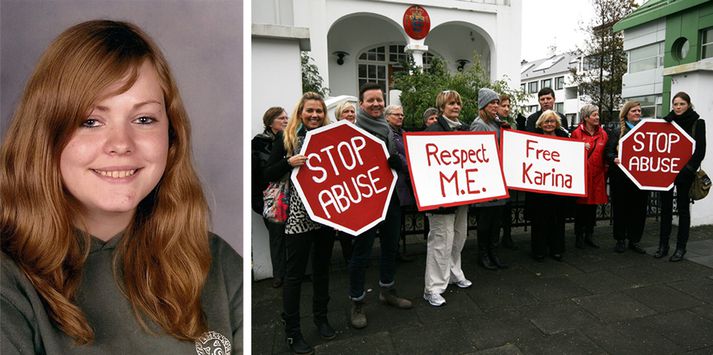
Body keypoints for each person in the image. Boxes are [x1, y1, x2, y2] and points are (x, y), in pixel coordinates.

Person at [0, 20, 241, 354]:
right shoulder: (8, 280)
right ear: (45, 136)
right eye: (90, 121)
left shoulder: (217, 262)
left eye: (143, 119)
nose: (120, 144)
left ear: (171, 137)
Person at [264, 92, 336, 353]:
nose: (315, 115)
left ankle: (322, 318)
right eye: (310, 111)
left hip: (326, 214)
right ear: (300, 113)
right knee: (294, 275)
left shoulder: (330, 137)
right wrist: (288, 162)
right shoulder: (287, 138)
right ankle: (293, 331)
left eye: (319, 111)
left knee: (322, 270)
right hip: (298, 217)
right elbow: (268, 173)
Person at [349, 82, 412, 330]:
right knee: (361, 252)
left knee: (390, 246)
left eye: (379, 99)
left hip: (391, 199)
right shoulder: (352, 130)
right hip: (365, 201)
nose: (376, 104)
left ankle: (387, 290)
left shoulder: (386, 128)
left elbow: (395, 162)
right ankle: (357, 301)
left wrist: (397, 164)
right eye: (370, 100)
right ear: (361, 104)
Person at [421, 90, 472, 307]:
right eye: (451, 103)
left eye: (458, 103)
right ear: (442, 107)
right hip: (440, 196)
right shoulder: (432, 131)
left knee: (459, 236)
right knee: (441, 240)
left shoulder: (465, 129)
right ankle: (432, 288)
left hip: (462, 193)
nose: (456, 107)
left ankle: (453, 273)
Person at [658, 92, 706, 262]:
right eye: (675, 104)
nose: (678, 107)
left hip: (685, 175)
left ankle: (680, 248)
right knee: (665, 210)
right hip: (666, 174)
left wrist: (687, 171)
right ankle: (663, 246)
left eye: (681, 104)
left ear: (688, 105)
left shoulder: (697, 122)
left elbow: (700, 151)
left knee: (683, 211)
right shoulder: (668, 122)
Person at [470, 88, 509, 270]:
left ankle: (493, 252)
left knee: (496, 221)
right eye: (492, 103)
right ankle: (483, 254)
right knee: (485, 222)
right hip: (486, 180)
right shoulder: (479, 124)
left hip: (498, 177)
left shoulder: (497, 123)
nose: (495, 105)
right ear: (483, 105)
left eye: (496, 102)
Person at [605, 101, 649, 254]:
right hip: (621, 179)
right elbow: (608, 153)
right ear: (626, 113)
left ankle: (634, 240)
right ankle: (620, 240)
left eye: (639, 110)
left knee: (638, 210)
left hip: (641, 179)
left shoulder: (647, 131)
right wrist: (614, 159)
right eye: (634, 111)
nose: (637, 113)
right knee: (621, 209)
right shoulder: (618, 132)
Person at [252, 107, 289, 288]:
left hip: (291, 195)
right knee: (276, 236)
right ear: (270, 121)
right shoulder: (258, 143)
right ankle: (279, 275)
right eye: (281, 118)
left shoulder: (291, 140)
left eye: (286, 117)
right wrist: (257, 201)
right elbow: (255, 174)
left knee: (292, 235)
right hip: (270, 198)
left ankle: (293, 271)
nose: (286, 120)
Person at [529, 110, 570, 261]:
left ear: (557, 123)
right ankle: (539, 250)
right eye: (546, 121)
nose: (549, 124)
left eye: (552, 121)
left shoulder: (564, 138)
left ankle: (556, 249)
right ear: (540, 123)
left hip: (558, 186)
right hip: (539, 187)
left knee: (557, 219)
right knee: (539, 220)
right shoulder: (533, 139)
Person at [570, 104, 608, 249]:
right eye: (594, 115)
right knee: (580, 208)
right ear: (586, 117)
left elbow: (605, 155)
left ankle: (589, 235)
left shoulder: (603, 134)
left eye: (597, 114)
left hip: (597, 176)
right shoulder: (576, 134)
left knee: (592, 208)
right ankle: (579, 236)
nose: (597, 117)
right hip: (582, 176)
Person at [385, 104, 416, 263]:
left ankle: (396, 253)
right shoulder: (387, 133)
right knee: (392, 224)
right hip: (394, 184)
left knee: (400, 222)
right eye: (396, 114)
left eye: (402, 115)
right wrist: (412, 166)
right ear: (387, 116)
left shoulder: (403, 133)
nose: (400, 117)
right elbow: (395, 156)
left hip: (404, 183)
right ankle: (392, 255)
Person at [496, 94, 518, 251]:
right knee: (497, 208)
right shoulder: (493, 123)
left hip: (508, 170)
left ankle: (507, 236)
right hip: (497, 172)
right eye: (503, 105)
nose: (506, 108)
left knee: (507, 207)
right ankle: (495, 239)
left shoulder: (511, 123)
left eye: (508, 106)